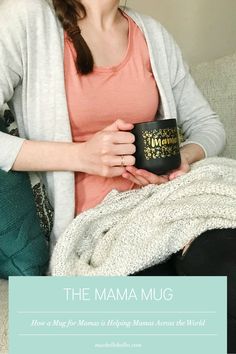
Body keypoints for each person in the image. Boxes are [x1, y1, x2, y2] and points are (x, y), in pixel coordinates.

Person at [0, 0, 235, 351]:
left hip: (168, 206)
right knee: (186, 329)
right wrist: (81, 156)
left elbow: (208, 126)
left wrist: (181, 158)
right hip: (98, 231)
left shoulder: (152, 34)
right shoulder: (28, 20)